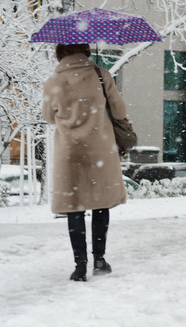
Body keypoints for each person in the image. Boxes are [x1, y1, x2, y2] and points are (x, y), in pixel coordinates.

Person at [42, 43, 129, 281]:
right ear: (86, 51)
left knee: (75, 207)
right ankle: (99, 259)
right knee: (101, 204)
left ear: (59, 54)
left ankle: (80, 264)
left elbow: (49, 117)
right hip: (100, 148)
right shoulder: (101, 75)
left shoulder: (54, 82)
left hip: (70, 151)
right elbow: (120, 111)